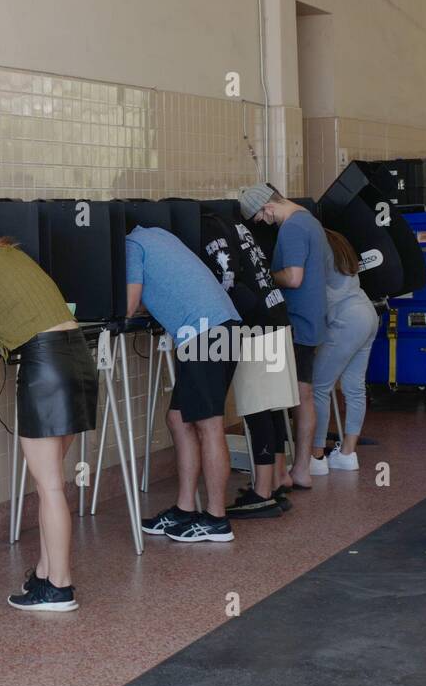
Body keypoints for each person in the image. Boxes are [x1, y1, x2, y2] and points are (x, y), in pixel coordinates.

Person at [0, 225, 96, 611]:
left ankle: (60, 587)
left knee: (50, 487)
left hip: (46, 366)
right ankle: (44, 573)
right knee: (51, 482)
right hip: (79, 358)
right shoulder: (6, 252)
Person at [128, 225, 243, 543]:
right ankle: (185, 507)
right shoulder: (162, 235)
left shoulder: (131, 245)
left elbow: (128, 304)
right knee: (178, 418)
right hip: (223, 326)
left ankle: (217, 518)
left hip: (204, 333)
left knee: (209, 425)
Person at [193, 208, 294, 519]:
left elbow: (227, 277)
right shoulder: (237, 225)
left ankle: (261, 494)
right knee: (274, 408)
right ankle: (277, 481)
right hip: (275, 313)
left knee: (257, 409)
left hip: (255, 324)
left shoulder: (210, 228)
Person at [240, 183, 330, 489]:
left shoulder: (291, 228)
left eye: (259, 219)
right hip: (313, 317)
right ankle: (300, 469)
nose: (262, 225)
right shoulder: (311, 221)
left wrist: (263, 276)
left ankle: (286, 472)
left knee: (289, 397)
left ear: (266, 207)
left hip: (296, 320)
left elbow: (293, 277)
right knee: (303, 394)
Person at [308, 230, 381, 473]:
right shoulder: (338, 239)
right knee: (354, 386)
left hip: (347, 319)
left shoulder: (316, 245)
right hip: (367, 311)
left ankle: (316, 458)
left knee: (319, 387)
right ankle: (348, 454)